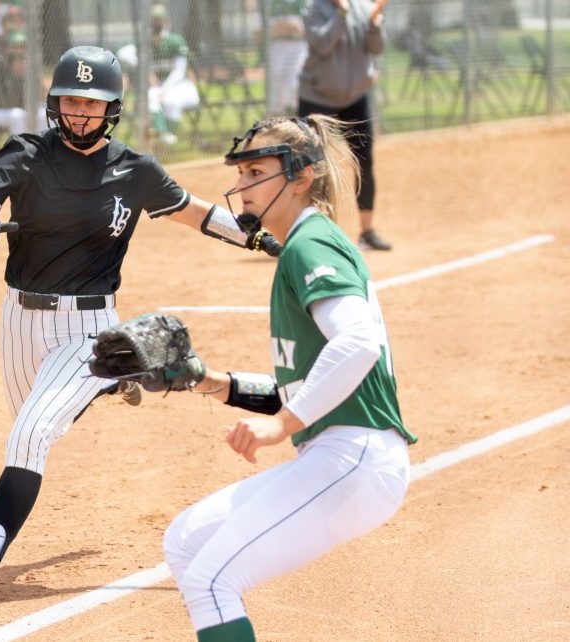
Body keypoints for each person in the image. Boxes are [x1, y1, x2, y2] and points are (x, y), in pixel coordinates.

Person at [0, 45, 281, 603]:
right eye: (70, 101)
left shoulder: (133, 169)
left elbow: (195, 211)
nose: (79, 113)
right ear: (54, 103)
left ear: (112, 109)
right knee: (37, 422)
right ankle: (118, 376)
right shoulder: (26, 154)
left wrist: (260, 236)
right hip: (20, 319)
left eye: (91, 104)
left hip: (88, 325)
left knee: (30, 434)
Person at [160, 115, 417, 641]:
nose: (243, 187)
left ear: (300, 178)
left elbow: (358, 342)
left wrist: (283, 425)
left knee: (212, 580)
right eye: (242, 172)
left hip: (356, 457)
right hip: (340, 455)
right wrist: (209, 380)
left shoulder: (309, 246)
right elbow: (303, 385)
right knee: (186, 540)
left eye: (257, 172)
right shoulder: (304, 244)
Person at [298, 0, 392, 251]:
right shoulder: (313, 9)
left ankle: (367, 231)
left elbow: (377, 47)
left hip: (354, 97)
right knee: (312, 166)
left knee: (365, 161)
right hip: (317, 97)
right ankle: (316, 235)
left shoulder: (363, 7)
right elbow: (322, 45)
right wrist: (341, 13)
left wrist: (374, 21)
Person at [117, 3, 200, 146]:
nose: (156, 24)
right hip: (158, 88)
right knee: (151, 97)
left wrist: (164, 89)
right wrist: (146, 72)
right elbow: (123, 54)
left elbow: (180, 72)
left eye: (159, 20)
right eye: (153, 20)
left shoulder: (175, 41)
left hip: (180, 86)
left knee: (170, 100)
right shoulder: (143, 43)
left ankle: (168, 137)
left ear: (166, 22)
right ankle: (165, 135)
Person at [265, 0, 309, 116]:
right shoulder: (270, 4)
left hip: (298, 44)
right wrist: (279, 28)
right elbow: (258, 33)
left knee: (294, 83)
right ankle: (276, 120)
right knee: (276, 82)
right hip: (276, 45)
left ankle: (297, 116)